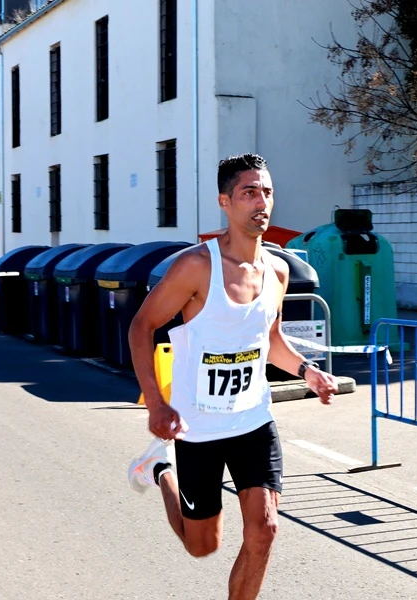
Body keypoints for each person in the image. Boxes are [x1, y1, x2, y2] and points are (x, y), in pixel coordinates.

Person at [127, 153, 340, 600]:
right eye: (248, 192)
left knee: (264, 530)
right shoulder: (196, 267)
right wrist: (157, 403)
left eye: (266, 192)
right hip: (197, 427)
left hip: (252, 420)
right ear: (225, 201)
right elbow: (142, 327)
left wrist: (307, 371)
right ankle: (159, 468)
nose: (261, 202)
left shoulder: (278, 270)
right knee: (202, 545)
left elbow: (271, 341)